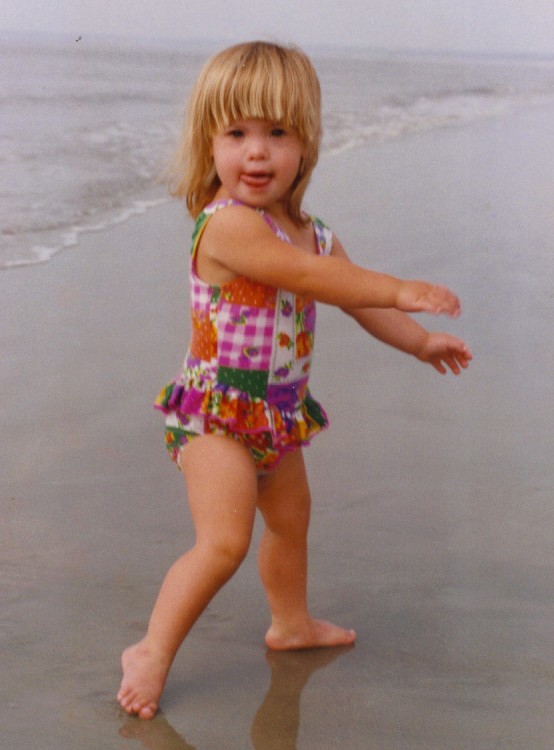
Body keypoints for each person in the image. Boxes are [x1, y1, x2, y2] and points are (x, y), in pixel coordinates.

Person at [117, 40, 472, 720]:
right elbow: (316, 281)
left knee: (290, 522)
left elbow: (352, 297)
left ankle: (292, 623)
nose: (257, 153)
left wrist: (419, 341)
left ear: (305, 143)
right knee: (224, 541)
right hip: (215, 416)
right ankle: (152, 650)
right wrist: (401, 287)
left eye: (277, 133)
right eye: (238, 133)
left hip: (277, 417)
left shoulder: (312, 231)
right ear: (208, 143)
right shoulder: (225, 227)